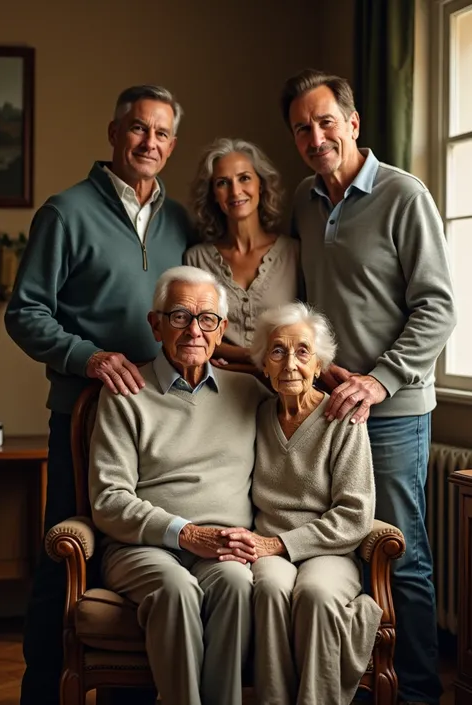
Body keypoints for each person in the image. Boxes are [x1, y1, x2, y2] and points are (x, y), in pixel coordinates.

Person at [5, 84, 193, 705]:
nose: (150, 143)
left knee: (141, 553)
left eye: (163, 133)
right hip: (83, 417)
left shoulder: (182, 221)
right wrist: (89, 357)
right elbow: (25, 314)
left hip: (161, 422)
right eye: (139, 129)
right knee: (68, 555)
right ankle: (40, 692)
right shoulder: (66, 212)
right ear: (113, 133)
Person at [280, 68, 456, 705]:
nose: (315, 135)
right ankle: (353, 686)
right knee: (342, 552)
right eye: (302, 127)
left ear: (353, 123)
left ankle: (414, 692)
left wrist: (379, 382)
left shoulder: (405, 196)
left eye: (326, 121)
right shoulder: (303, 198)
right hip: (325, 404)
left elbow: (437, 307)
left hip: (393, 409)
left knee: (399, 552)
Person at [89, 265, 270, 705]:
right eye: (179, 316)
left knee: (234, 583)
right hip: (141, 549)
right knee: (177, 588)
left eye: (207, 319)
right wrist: (185, 533)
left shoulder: (250, 392)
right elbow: (109, 500)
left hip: (222, 549)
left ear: (222, 328)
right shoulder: (124, 393)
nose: (194, 330)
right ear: (155, 324)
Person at [221, 302, 382, 705]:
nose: (290, 363)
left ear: (319, 364)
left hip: (329, 549)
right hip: (266, 546)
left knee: (315, 594)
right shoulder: (255, 416)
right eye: (277, 351)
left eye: (302, 352)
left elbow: (356, 514)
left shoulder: (343, 420)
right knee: (270, 587)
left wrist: (280, 544)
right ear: (264, 364)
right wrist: (265, 545)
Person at [185, 137, 302, 371]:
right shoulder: (196, 260)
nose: (235, 191)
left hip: (284, 383)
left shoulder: (294, 253)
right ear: (213, 194)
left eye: (244, 178)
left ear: (261, 184)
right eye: (222, 183)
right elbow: (196, 335)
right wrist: (256, 357)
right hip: (220, 383)